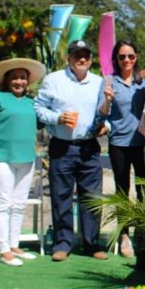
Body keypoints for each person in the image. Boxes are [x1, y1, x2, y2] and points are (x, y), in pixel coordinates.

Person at [34, 40, 107, 262]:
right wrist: (57, 117)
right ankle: (63, 244)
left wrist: (107, 127)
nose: (81, 59)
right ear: (69, 58)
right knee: (61, 196)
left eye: (85, 55)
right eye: (77, 55)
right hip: (61, 146)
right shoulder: (53, 80)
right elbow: (37, 107)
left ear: (91, 59)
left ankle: (92, 243)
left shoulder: (99, 83)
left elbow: (107, 114)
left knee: (92, 198)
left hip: (89, 147)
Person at [0, 58, 46, 266]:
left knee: (18, 204)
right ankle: (4, 249)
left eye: (23, 78)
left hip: (26, 159)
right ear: (7, 81)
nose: (19, 81)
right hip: (2, 159)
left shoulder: (32, 103)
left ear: (28, 81)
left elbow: (45, 120)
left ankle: (15, 244)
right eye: (15, 78)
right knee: (4, 204)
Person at [98, 40, 145, 258]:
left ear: (136, 57)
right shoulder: (109, 82)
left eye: (130, 56)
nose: (126, 60)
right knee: (122, 190)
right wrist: (108, 100)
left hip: (143, 143)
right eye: (122, 57)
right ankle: (124, 235)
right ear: (116, 60)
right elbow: (102, 112)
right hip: (119, 142)